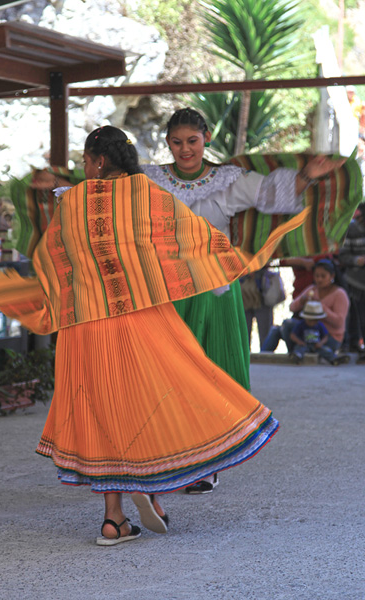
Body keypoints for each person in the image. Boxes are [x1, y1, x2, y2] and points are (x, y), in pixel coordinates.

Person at [0, 125, 306, 546]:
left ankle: (113, 520)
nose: (84, 168)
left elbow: (54, 262)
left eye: (85, 161)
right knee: (149, 401)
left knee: (102, 410)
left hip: (84, 328)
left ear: (98, 161)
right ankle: (149, 486)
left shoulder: (72, 203)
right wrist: (236, 257)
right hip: (139, 320)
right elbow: (188, 243)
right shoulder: (149, 197)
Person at [141, 107, 346, 493]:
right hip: (166, 286)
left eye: (192, 141)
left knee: (212, 369)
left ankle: (208, 462)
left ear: (206, 141)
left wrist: (306, 177)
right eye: (177, 142)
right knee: (168, 373)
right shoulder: (150, 179)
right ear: (167, 143)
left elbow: (272, 195)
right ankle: (169, 455)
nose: (185, 149)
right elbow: (105, 192)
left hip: (215, 285)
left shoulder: (227, 180)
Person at [262, 259, 350, 356]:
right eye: (317, 276)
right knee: (281, 327)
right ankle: (262, 357)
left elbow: (339, 322)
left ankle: (298, 352)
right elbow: (292, 307)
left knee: (287, 328)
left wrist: (320, 307)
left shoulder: (340, 294)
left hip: (327, 336)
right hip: (307, 332)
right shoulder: (312, 289)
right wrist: (302, 301)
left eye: (323, 276)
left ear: (332, 276)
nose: (319, 279)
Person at [338, 203, 365, 363]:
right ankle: (355, 345)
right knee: (358, 316)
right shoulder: (352, 229)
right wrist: (357, 260)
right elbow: (343, 256)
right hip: (355, 281)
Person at [290, 299, 350, 365]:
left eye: (314, 320)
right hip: (304, 344)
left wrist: (321, 343)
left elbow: (325, 336)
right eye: (310, 320)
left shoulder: (320, 325)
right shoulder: (301, 324)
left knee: (325, 350)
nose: (312, 322)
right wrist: (300, 342)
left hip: (316, 345)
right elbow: (293, 335)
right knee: (299, 349)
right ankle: (296, 357)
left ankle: (334, 359)